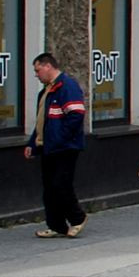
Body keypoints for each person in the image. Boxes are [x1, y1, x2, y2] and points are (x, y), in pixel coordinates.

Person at [23, 52, 87, 238]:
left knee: (61, 185)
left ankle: (78, 218)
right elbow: (42, 122)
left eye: (37, 70)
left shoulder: (67, 86)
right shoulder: (47, 92)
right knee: (49, 188)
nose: (36, 75)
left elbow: (76, 115)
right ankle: (56, 225)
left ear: (48, 66)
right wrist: (32, 144)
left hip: (65, 147)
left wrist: (60, 138)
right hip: (48, 146)